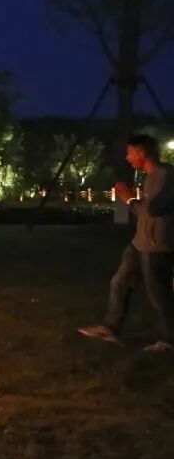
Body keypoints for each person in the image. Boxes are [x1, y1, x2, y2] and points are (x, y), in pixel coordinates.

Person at [79, 134, 174, 353]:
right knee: (119, 281)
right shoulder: (150, 176)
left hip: (156, 245)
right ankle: (110, 327)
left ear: (141, 152)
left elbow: (153, 210)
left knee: (159, 294)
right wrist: (132, 199)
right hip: (140, 242)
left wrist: (130, 199)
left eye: (130, 152)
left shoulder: (165, 175)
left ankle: (168, 340)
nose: (127, 157)